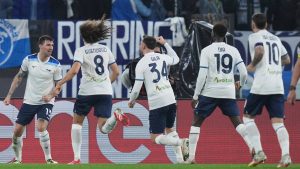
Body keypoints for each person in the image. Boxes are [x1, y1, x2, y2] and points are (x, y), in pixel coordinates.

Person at [47, 17, 129, 164]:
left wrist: (60, 83)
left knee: (76, 124)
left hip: (86, 92)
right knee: (103, 128)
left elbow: (74, 71)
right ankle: (115, 116)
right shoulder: (106, 49)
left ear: (84, 36)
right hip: (105, 92)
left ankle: (77, 159)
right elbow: (116, 72)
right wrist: (104, 83)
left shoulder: (81, 50)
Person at [184, 23, 253, 164]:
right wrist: (241, 83)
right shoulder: (233, 50)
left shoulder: (207, 51)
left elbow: (202, 75)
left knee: (196, 122)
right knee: (237, 122)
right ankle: (254, 148)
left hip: (210, 91)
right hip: (228, 91)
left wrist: (196, 95)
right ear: (225, 35)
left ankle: (191, 158)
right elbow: (244, 72)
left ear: (212, 34)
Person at [128, 35, 188, 163]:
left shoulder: (141, 63)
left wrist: (131, 101)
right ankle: (180, 160)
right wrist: (165, 43)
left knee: (155, 138)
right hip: (171, 99)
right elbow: (176, 59)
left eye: (140, 44)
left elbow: (137, 87)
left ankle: (181, 142)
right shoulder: (164, 57)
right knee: (170, 129)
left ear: (144, 46)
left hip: (157, 102)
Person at [244, 13, 291, 167]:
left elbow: (259, 51)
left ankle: (259, 153)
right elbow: (287, 59)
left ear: (253, 24)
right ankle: (286, 156)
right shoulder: (276, 39)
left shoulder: (254, 36)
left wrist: (252, 65)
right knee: (278, 123)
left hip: (261, 84)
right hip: (277, 85)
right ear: (266, 24)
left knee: (247, 118)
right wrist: (275, 66)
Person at [3, 35, 60, 164]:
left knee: (41, 127)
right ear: (40, 45)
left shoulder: (56, 64)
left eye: (52, 45)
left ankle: (49, 159)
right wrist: (9, 95)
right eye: (48, 45)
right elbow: (19, 77)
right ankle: (17, 160)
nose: (51, 47)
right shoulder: (29, 60)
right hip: (29, 101)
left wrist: (51, 96)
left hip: (46, 102)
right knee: (17, 131)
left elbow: (58, 86)